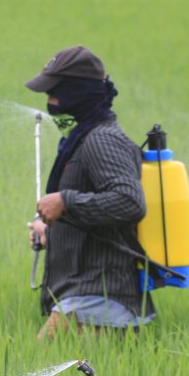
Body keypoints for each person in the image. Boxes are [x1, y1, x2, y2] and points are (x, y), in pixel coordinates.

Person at [25, 45, 152, 339]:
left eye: (54, 92)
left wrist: (65, 201)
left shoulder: (103, 141)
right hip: (85, 295)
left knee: (38, 367)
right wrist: (50, 230)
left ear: (77, 93)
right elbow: (95, 206)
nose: (49, 101)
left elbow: (129, 201)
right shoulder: (82, 138)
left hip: (99, 300)